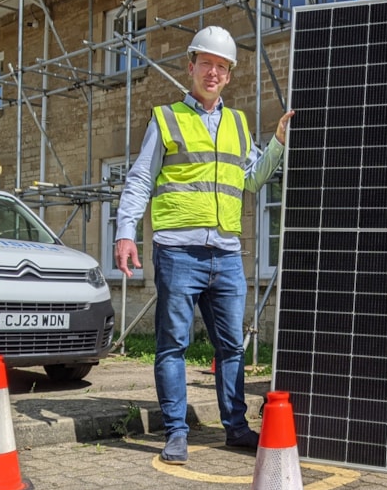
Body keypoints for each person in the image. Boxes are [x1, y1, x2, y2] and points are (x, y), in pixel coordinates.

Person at [115, 25, 294, 465]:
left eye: (222, 66)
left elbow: (250, 180)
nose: (213, 72)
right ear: (191, 65)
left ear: (229, 75)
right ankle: (176, 432)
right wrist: (124, 231)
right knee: (172, 345)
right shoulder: (166, 118)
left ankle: (235, 427)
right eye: (206, 63)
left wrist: (278, 145)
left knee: (232, 347)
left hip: (227, 255)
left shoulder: (237, 123)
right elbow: (139, 178)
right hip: (178, 253)